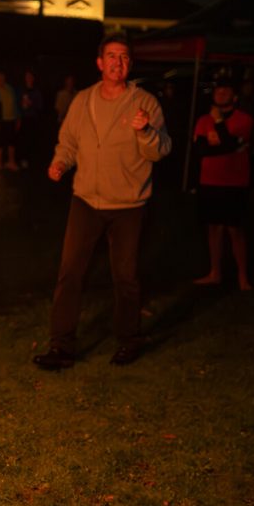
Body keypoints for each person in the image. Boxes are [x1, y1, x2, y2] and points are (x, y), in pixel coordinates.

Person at [34, 32, 172, 370]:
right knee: (70, 273)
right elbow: (68, 140)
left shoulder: (145, 103)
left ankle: (129, 339)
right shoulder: (83, 100)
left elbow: (162, 149)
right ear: (100, 62)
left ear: (130, 64)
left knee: (124, 276)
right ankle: (62, 345)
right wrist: (61, 162)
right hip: (86, 201)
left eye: (124, 57)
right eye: (112, 56)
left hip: (128, 205)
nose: (117, 62)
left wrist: (145, 131)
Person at [192, 78, 254, 291]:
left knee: (235, 229)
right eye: (218, 89)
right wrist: (227, 146)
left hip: (234, 182)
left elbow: (228, 144)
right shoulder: (202, 120)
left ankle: (243, 276)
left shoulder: (244, 120)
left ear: (234, 96)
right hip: (209, 181)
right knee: (213, 228)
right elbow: (201, 150)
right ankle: (215, 272)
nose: (221, 92)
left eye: (226, 89)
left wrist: (219, 126)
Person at [17, 69, 44, 168]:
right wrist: (21, 107)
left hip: (33, 119)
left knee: (32, 139)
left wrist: (31, 104)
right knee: (23, 139)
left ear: (33, 78)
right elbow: (17, 105)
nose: (28, 79)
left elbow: (40, 106)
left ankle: (32, 159)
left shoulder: (36, 91)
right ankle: (23, 159)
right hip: (23, 119)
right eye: (26, 77)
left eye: (30, 77)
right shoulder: (21, 90)